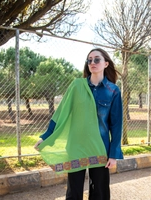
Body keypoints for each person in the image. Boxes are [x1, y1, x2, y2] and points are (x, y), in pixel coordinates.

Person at [34, 48, 123, 200]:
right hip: (76, 146)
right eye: (89, 60)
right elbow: (61, 113)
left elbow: (116, 124)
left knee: (99, 192)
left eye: (97, 59)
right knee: (73, 192)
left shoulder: (113, 91)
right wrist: (46, 136)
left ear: (106, 63)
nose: (92, 63)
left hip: (99, 147)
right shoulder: (77, 86)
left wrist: (114, 154)